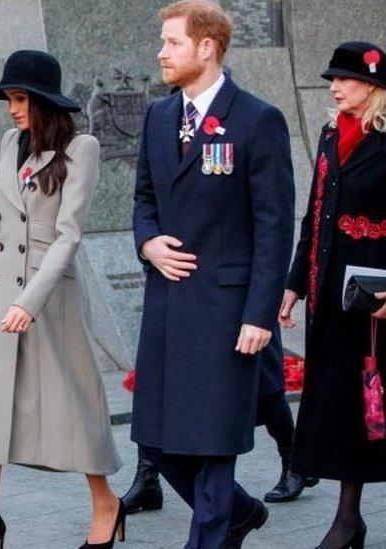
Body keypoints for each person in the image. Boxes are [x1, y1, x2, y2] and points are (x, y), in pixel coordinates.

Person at [131, 0, 295, 546]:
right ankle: (240, 513)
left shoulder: (257, 119)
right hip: (168, 304)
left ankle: (213, 535)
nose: (161, 52)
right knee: (159, 443)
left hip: (227, 314)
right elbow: (145, 199)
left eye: (172, 42)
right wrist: (148, 241)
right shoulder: (158, 116)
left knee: (213, 441)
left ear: (206, 47)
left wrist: (259, 315)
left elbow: (274, 227)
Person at [0, 49, 123, 549]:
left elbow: (68, 237)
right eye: (8, 98)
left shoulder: (83, 148)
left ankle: (106, 503)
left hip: (49, 298)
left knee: (73, 407)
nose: (11, 109)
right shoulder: (11, 141)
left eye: (19, 98)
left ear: (43, 102)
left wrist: (29, 302)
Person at [280, 40, 386, 549]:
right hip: (331, 297)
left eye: (346, 79)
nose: (335, 87)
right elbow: (314, 213)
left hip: (376, 304)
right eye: (331, 79)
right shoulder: (328, 135)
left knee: (373, 409)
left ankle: (348, 523)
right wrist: (294, 283)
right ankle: (349, 520)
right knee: (343, 406)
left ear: (374, 87)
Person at [121, 331, 318, 511]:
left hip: (237, 303)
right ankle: (147, 478)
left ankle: (294, 463)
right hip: (181, 300)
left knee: (262, 379)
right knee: (162, 376)